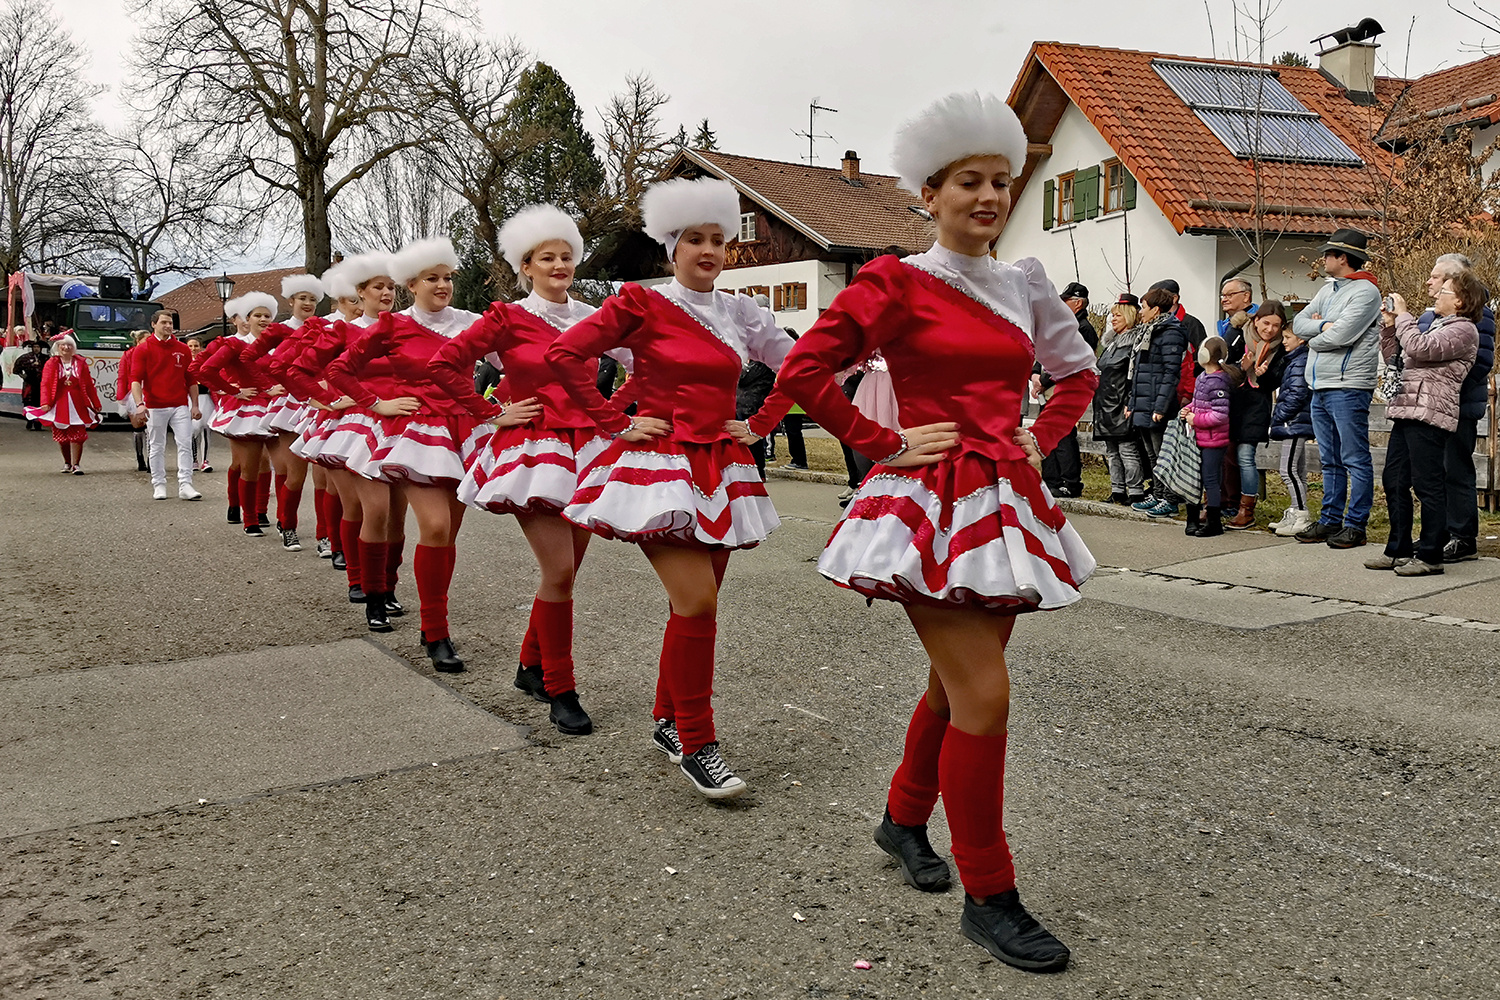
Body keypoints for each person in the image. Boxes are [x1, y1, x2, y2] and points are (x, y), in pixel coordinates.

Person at [762, 92, 1097, 974]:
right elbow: (804, 370)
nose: (986, 197)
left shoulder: (1025, 283)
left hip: (1008, 506)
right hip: (930, 503)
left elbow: (1077, 374)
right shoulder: (894, 280)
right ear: (931, 192)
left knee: (958, 688)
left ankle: (904, 816)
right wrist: (882, 443)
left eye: (999, 182)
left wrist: (1042, 435)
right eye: (967, 184)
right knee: (985, 695)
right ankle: (990, 894)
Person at [545, 177, 795, 800]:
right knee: (698, 604)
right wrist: (615, 422)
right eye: (695, 240)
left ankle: (668, 721)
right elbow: (563, 355)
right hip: (661, 470)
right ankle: (699, 743)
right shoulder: (642, 304)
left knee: (699, 603)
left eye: (719, 239)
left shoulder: (741, 312)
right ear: (671, 247)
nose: (709, 250)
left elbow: (803, 366)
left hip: (724, 468)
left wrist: (761, 422)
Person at [430, 205, 630, 727]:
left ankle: (530, 664)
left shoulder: (594, 317)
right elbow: (443, 365)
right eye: (548, 257)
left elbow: (648, 362)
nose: (560, 264)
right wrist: (492, 411)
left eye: (567, 255)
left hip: (590, 451)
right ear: (526, 266)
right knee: (559, 570)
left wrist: (617, 412)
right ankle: (562, 689)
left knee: (568, 572)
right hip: (533, 452)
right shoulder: (507, 317)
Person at [326, 238, 487, 671]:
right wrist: (376, 403)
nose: (443, 285)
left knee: (446, 533)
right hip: (417, 434)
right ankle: (433, 630)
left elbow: (526, 361)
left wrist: (499, 407)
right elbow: (339, 370)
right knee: (432, 525)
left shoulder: (471, 323)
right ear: (411, 284)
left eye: (448, 277)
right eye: (432, 278)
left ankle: (419, 615)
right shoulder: (393, 326)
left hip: (463, 434)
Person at [290, 254, 418, 629]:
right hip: (360, 426)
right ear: (358, 293)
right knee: (370, 510)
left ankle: (387, 588)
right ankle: (367, 590)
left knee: (397, 516)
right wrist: (328, 399)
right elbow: (296, 371)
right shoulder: (342, 331)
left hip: (402, 425)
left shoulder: (405, 328)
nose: (386, 293)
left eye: (391, 286)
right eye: (377, 286)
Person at [1368, 275, 1480, 575]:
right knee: (1394, 480)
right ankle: (1398, 549)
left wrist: (1404, 315)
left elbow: (1421, 349)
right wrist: (1391, 326)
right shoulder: (1435, 324)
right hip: (1407, 408)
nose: (1437, 294)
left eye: (1444, 291)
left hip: (1431, 412)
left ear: (1460, 300)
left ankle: (1430, 555)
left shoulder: (1464, 330)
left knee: (1427, 484)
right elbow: (1398, 355)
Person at [1292, 229, 1382, 548]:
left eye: (1327, 254)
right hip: (1320, 384)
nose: (1323, 258)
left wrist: (1313, 336)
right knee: (1330, 459)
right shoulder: (1328, 289)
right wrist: (1321, 326)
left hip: (1348, 385)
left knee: (1354, 457)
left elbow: (1341, 336)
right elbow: (1297, 322)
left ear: (1342, 257)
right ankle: (1331, 520)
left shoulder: (1365, 293)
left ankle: (1356, 524)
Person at [1411, 254, 1495, 562]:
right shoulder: (1429, 315)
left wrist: (1443, 385)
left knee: (1456, 470)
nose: (1429, 282)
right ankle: (1437, 534)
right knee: (1434, 472)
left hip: (1459, 405)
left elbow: (1481, 361)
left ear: (1453, 281)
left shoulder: (1479, 313)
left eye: (1435, 277)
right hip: (1430, 406)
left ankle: (1463, 536)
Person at [241, 274, 328, 552]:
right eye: (303, 298)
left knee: (324, 476)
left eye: (313, 299)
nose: (308, 303)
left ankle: (323, 534)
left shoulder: (326, 327)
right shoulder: (280, 330)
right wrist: (270, 384)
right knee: (295, 472)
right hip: (293, 403)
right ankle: (287, 525)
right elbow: (248, 358)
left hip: (322, 402)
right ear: (290, 301)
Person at [193, 294, 280, 535]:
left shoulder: (276, 345)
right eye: (257, 315)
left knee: (268, 463)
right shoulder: (233, 344)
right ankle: (244, 513)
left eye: (267, 315)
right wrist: (232, 391)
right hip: (245, 409)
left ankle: (261, 510)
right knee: (245, 464)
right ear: (245, 319)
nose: (263, 319)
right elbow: (204, 370)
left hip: (273, 408)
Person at [1224, 302, 1287, 529]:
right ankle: (1220, 502)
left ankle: (1246, 509)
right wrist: (1243, 367)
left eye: (1276, 326)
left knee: (1245, 456)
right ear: (1255, 320)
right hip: (1232, 403)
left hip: (1256, 406)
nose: (1270, 330)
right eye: (1266, 323)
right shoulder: (1239, 335)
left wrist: (1266, 373)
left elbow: (1276, 380)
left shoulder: (1280, 347)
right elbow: (1223, 366)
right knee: (1225, 455)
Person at [1128, 286, 1188, 516]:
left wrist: (1161, 407)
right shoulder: (1148, 331)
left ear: (1156, 309)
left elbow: (1171, 373)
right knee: (1152, 455)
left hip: (1156, 404)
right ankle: (1158, 494)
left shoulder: (1170, 332)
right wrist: (1132, 404)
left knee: (1164, 454)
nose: (1140, 312)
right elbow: (1139, 372)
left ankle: (1170, 499)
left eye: (1144, 307)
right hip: (1144, 401)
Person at [131, 310, 202, 501]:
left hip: (179, 403)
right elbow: (135, 379)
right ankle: (159, 484)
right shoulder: (143, 349)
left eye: (170, 323)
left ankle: (186, 484)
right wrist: (140, 404)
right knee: (156, 445)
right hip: (154, 405)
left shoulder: (182, 349)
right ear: (153, 325)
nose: (168, 326)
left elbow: (191, 380)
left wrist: (195, 405)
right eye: (164, 323)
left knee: (185, 443)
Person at [1037, 280, 1098, 497]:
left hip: (1066, 387)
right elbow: (1044, 348)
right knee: (1047, 433)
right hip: (1050, 385)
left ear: (1079, 303)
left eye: (1067, 300)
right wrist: (1036, 373)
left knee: (1063, 435)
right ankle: (1051, 479)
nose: (1062, 304)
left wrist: (1044, 380)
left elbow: (1070, 360)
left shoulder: (1083, 329)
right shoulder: (1062, 325)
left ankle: (1070, 482)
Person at [1181, 337, 1237, 537]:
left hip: (1214, 440)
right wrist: (1187, 410)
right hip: (1200, 438)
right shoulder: (1203, 377)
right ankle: (1193, 519)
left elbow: (1220, 414)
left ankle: (1214, 522)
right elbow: (1199, 403)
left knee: (1211, 479)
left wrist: (1196, 420)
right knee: (1196, 477)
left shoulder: (1218, 382)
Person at [1093, 293, 1146, 503]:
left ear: (1129, 316)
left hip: (1122, 401)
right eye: (1112, 315)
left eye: (1118, 315)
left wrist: (1129, 401)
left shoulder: (1135, 343)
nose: (1113, 319)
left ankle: (1135, 491)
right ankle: (1117, 490)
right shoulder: (1110, 344)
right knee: (1112, 451)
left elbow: (1135, 376)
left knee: (1127, 450)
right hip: (1105, 403)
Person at [26, 334, 102, 473]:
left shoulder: (80, 363)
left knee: (78, 434)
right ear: (58, 347)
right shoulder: (52, 363)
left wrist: (95, 402)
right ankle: (67, 462)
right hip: (59, 403)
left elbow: (89, 385)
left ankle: (76, 464)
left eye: (69, 345)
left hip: (78, 403)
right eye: (63, 345)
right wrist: (45, 402)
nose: (66, 348)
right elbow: (46, 384)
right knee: (62, 435)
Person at [1267, 323, 1314, 537]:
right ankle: (1296, 510)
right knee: (1298, 471)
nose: (1284, 341)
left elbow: (1296, 394)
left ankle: (1301, 513)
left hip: (1294, 423)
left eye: (1288, 337)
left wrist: (1279, 416)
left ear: (1301, 339)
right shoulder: (1295, 360)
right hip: (1295, 422)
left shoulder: (1300, 361)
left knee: (1287, 470)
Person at [118, 329, 150, 470]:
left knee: (151, 428)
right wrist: (121, 397)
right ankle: (140, 458)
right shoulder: (128, 355)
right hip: (134, 391)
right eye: (146, 339)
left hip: (151, 391)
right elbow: (123, 375)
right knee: (138, 427)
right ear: (138, 341)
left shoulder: (154, 353)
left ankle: (151, 460)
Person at [184, 337, 215, 471]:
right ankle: (194, 459)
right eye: (190, 346)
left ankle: (205, 460)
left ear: (201, 347)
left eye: (196, 346)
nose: (193, 349)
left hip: (205, 398)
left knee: (205, 429)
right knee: (192, 429)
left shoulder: (206, 362)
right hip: (190, 398)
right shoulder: (184, 363)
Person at [11, 339, 46, 430]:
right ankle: (29, 421)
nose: (36, 349)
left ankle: (38, 423)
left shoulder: (45, 358)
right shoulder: (25, 357)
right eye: (34, 347)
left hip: (41, 384)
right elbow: (16, 370)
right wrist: (23, 376)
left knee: (40, 403)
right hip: (29, 383)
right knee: (28, 402)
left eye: (38, 347)